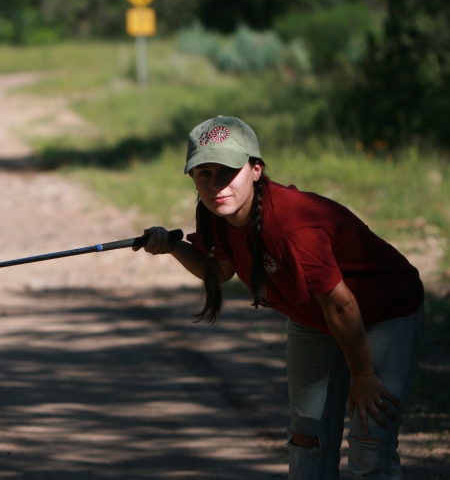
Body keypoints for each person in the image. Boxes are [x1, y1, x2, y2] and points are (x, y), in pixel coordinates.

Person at [136, 116, 424, 479]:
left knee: (370, 440)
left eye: (226, 171)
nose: (215, 185)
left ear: (255, 170)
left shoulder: (291, 227)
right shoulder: (220, 215)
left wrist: (363, 375)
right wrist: (173, 247)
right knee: (307, 438)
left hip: (383, 312)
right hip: (314, 317)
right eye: (203, 173)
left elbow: (342, 304)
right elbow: (222, 270)